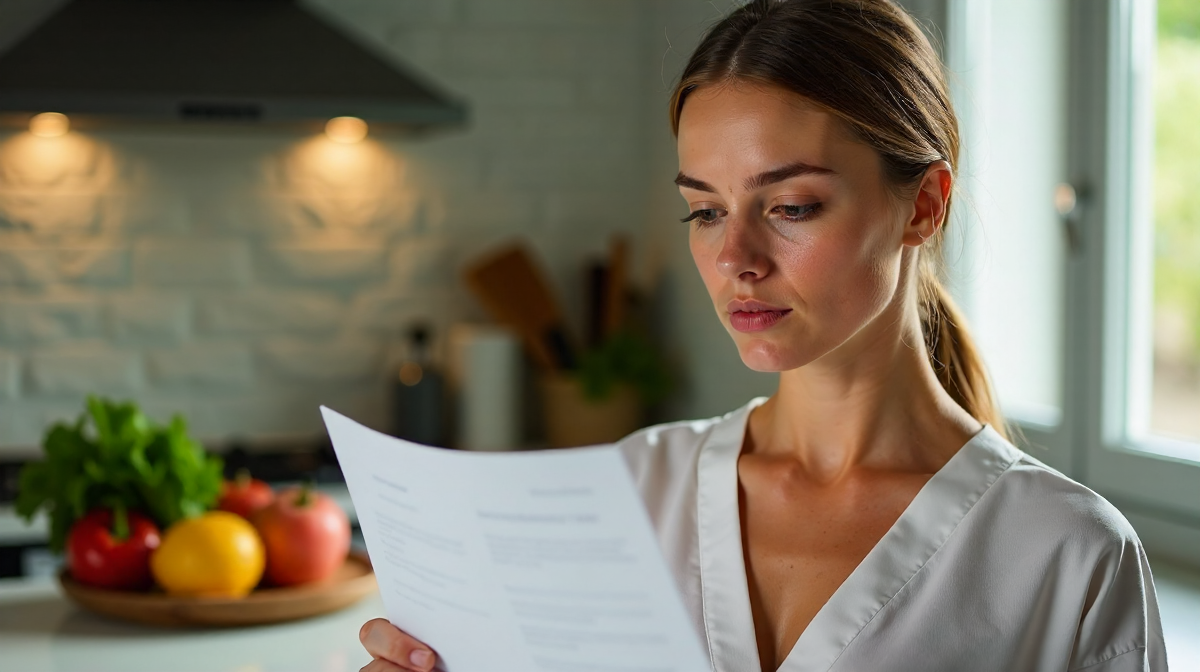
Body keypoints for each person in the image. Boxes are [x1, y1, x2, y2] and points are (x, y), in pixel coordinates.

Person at [357, 0, 1168, 670]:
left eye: (790, 207)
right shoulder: (630, 494)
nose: (734, 258)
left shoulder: (1066, 555)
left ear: (923, 206)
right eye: (705, 211)